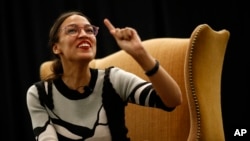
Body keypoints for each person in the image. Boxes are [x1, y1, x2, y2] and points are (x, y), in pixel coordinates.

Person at [26, 11, 182, 141]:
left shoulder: (112, 79)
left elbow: (172, 100)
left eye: (89, 30)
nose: (84, 35)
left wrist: (140, 54)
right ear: (56, 47)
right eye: (72, 30)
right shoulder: (40, 94)